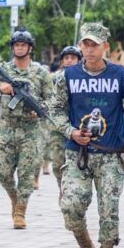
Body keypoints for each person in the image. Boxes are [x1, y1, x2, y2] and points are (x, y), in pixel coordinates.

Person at [47, 22, 124, 248]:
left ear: (106, 47)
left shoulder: (121, 75)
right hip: (77, 153)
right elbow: (55, 110)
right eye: (85, 44)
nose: (89, 49)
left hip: (111, 154)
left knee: (109, 210)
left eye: (94, 45)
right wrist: (70, 132)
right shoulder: (67, 76)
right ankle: (85, 245)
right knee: (70, 206)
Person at [0, 28, 52, 229]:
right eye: (16, 45)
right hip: (6, 127)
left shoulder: (40, 73)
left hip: (30, 129)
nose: (19, 48)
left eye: (23, 45)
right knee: (2, 173)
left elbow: (52, 99)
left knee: (26, 173)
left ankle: (20, 211)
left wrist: (40, 109)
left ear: (30, 48)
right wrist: (0, 87)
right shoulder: (3, 69)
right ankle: (14, 197)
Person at [47, 45, 82, 192]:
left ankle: (71, 192)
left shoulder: (84, 78)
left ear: (79, 60)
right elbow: (47, 97)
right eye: (66, 58)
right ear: (62, 61)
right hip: (58, 127)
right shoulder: (53, 78)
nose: (69, 60)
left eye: (73, 58)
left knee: (77, 163)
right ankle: (62, 188)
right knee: (57, 163)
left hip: (78, 127)